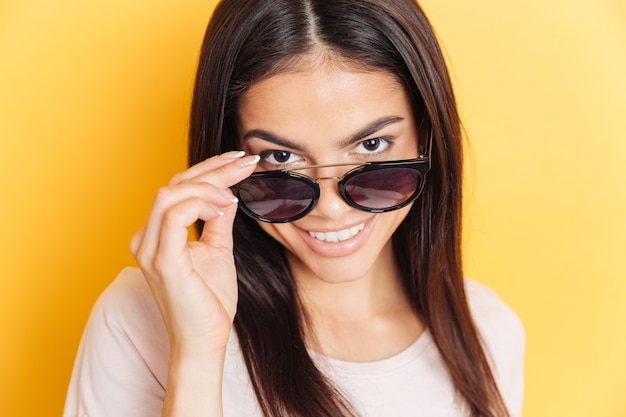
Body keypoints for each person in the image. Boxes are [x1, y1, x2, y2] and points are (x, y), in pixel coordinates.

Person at [63, 0, 525, 416]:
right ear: (227, 157)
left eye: (371, 144)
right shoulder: (140, 318)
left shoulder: (489, 331)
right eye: (281, 157)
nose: (330, 207)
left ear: (426, 136)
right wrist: (199, 351)